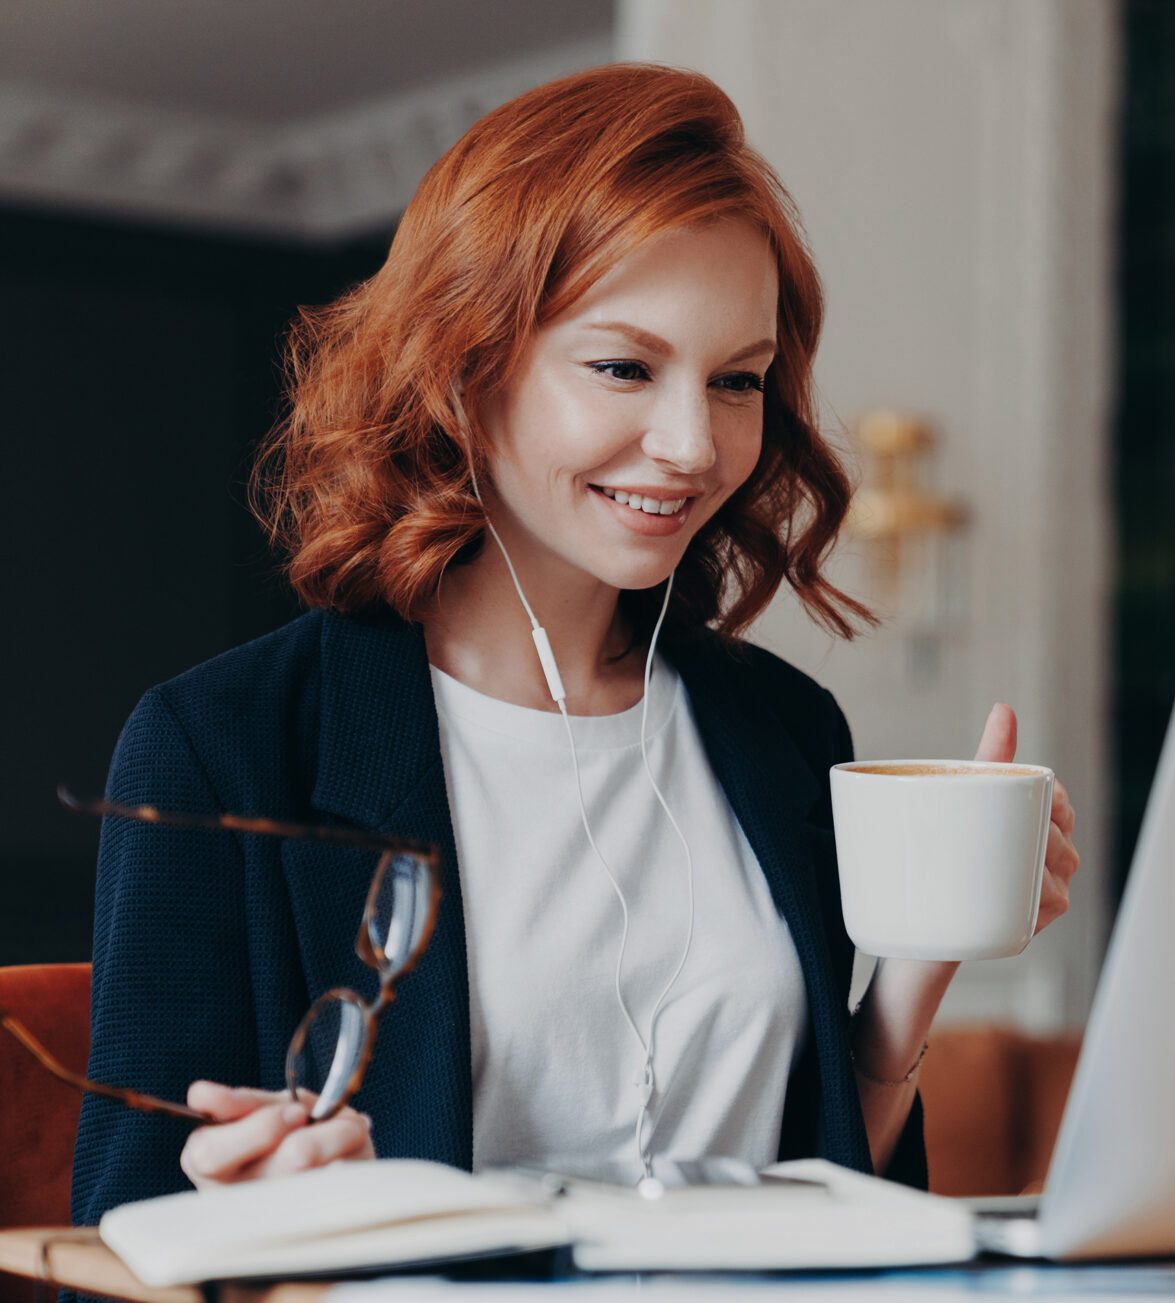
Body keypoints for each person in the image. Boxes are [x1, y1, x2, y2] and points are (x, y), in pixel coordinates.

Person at [70, 62, 1079, 1219]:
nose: (695, 444)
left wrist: (920, 954)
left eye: (738, 379)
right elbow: (116, 1248)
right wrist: (287, 1222)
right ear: (463, 368)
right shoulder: (222, 746)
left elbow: (826, 1200)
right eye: (624, 367)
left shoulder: (787, 732)